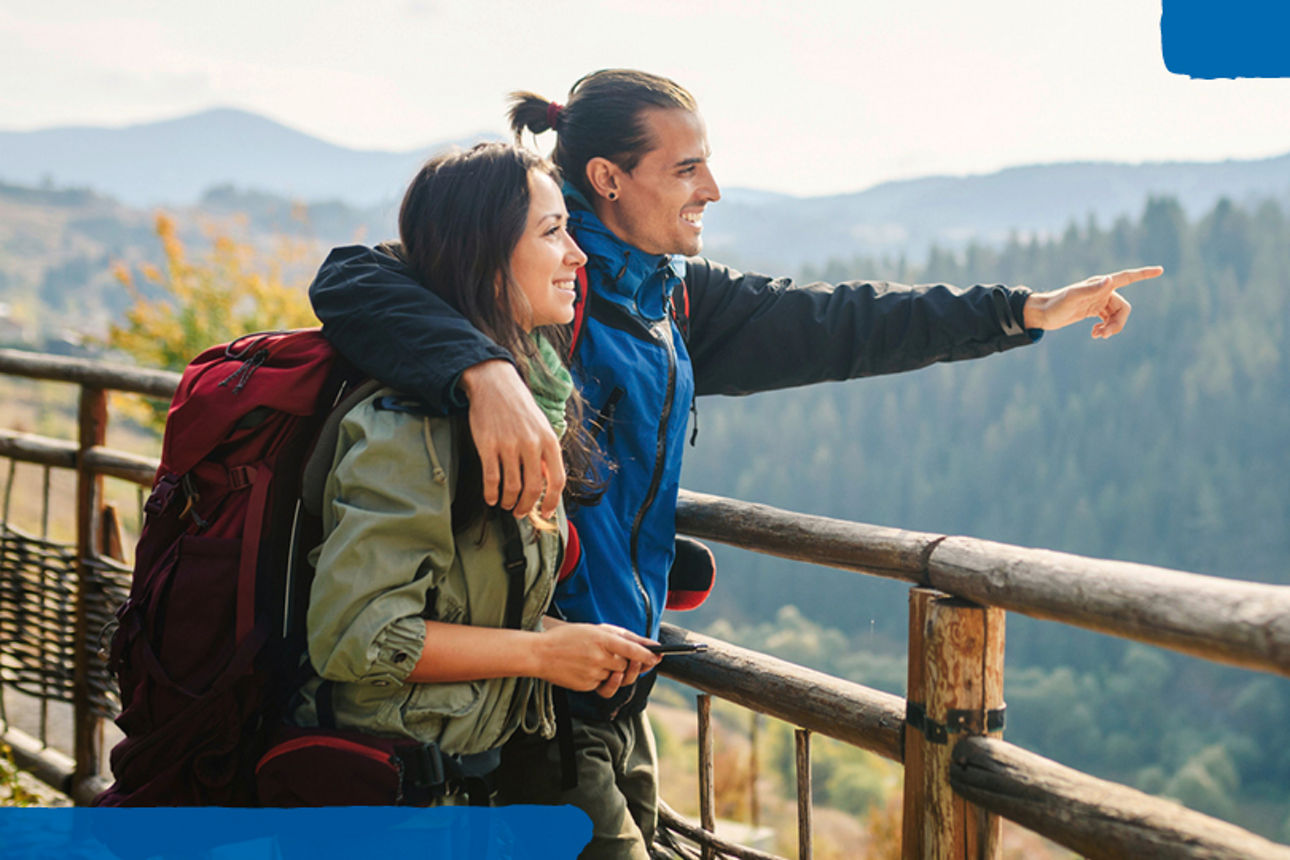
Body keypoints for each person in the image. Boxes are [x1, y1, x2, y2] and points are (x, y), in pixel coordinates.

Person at [307, 70, 1161, 854]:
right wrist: (484, 372)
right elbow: (352, 278)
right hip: (527, 701)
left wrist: (1022, 311)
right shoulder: (515, 274)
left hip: (615, 683)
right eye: (686, 170)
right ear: (609, 178)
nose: (711, 188)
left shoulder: (670, 296)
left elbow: (846, 322)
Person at [282, 142, 660, 808]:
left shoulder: (532, 396)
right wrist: (540, 656)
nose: (577, 255)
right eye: (552, 232)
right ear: (485, 259)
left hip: (458, 788)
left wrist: (563, 640)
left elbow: (455, 602)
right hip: (382, 803)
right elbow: (358, 639)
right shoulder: (410, 429)